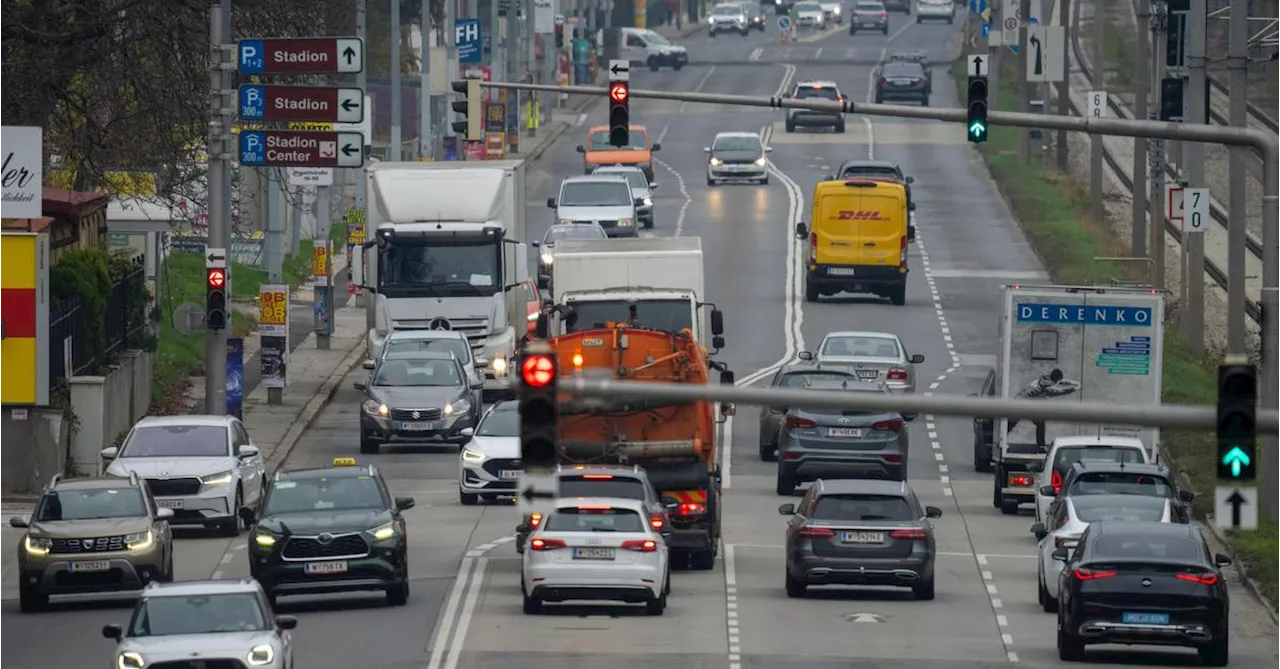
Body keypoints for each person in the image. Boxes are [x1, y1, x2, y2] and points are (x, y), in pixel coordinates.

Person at [1007, 368, 1081, 448]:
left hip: (1019, 401)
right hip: (1021, 405)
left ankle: (1041, 445)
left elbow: (1061, 382)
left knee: (1037, 422)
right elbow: (1060, 391)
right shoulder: (1046, 388)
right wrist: (1075, 388)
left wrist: (1074, 382)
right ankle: (1041, 446)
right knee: (1037, 423)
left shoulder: (1045, 378)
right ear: (1056, 379)